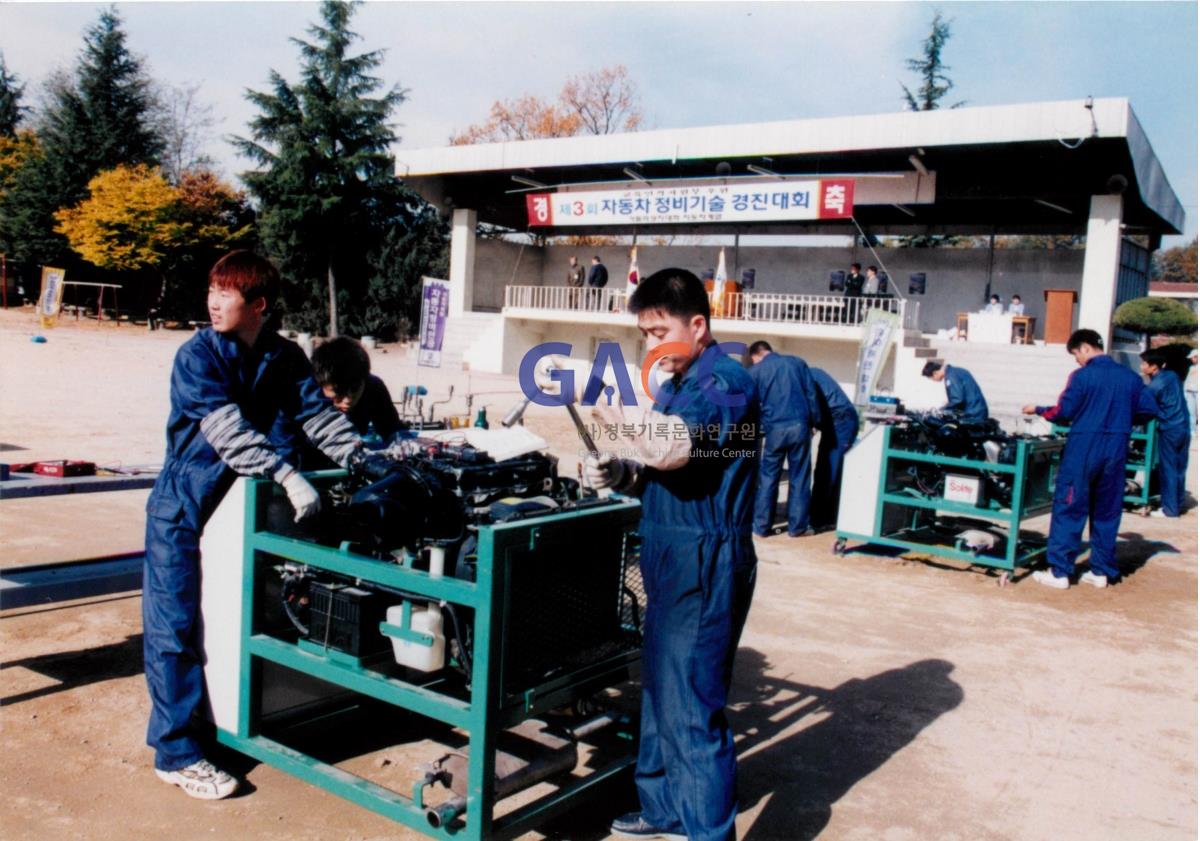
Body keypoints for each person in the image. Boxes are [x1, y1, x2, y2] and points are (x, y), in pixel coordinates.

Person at [143, 251, 363, 799]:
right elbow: (227, 431)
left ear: (258, 305)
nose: (213, 302)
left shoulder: (283, 356)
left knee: (240, 619)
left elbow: (317, 418)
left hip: (243, 507)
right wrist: (287, 474)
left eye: (227, 293)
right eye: (212, 291)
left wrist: (366, 459)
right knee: (175, 628)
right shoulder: (197, 355)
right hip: (186, 505)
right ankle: (176, 753)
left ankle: (224, 727)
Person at [574, 268, 759, 841]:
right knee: (658, 689)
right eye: (644, 335)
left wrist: (607, 407)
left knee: (691, 706)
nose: (651, 345)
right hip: (668, 548)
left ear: (697, 325)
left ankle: (707, 832)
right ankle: (663, 809)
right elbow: (660, 471)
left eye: (659, 332)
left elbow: (677, 450)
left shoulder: (726, 380)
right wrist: (620, 471)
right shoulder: (677, 385)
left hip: (706, 557)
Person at [1021, 329, 1158, 589]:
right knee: (1107, 511)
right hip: (1116, 448)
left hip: (1084, 447)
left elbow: (1065, 411)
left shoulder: (1082, 376)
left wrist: (1038, 409)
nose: (1076, 360)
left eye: (1075, 355)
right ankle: (1101, 571)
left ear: (1084, 348)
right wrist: (1124, 420)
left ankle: (1060, 572)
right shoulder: (1130, 377)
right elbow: (1150, 409)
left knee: (1069, 508)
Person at [747, 340, 818, 538]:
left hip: (774, 430)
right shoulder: (797, 363)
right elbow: (811, 395)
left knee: (769, 477)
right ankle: (798, 528)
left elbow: (751, 405)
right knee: (800, 477)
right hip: (799, 426)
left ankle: (761, 527)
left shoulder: (756, 371)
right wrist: (814, 422)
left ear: (757, 355)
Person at [311, 337, 401, 441]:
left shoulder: (373, 387)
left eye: (354, 390)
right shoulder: (308, 395)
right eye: (339, 393)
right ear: (321, 384)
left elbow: (392, 430)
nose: (348, 400)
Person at [808, 368, 860, 531]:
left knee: (828, 470)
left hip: (841, 421)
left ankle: (821, 519)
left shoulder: (806, 378)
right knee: (828, 470)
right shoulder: (812, 372)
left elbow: (812, 404)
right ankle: (825, 516)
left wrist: (810, 424)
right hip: (837, 420)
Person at [1140, 348, 1191, 518]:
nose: (1141, 366)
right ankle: (1178, 504)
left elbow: (1143, 406)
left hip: (1169, 428)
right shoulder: (1172, 376)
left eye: (1144, 363)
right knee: (1179, 467)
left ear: (1154, 367)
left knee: (1168, 467)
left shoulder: (1154, 385)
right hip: (1184, 426)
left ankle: (1170, 510)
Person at [921, 361, 989, 423]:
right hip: (977, 409)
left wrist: (942, 410)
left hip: (973, 413)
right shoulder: (955, 371)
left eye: (932, 378)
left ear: (935, 373)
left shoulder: (951, 377)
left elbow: (957, 399)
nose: (934, 381)